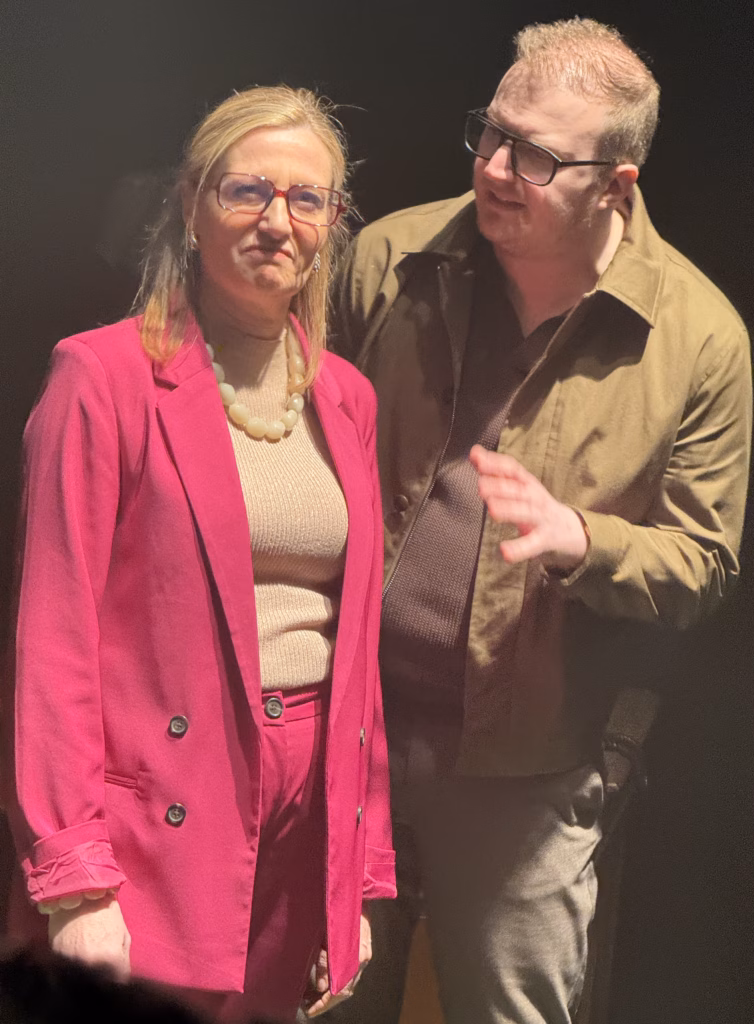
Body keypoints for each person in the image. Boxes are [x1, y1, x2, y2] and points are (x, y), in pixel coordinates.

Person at [328, 17, 752, 1024]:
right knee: (325, 1000)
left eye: (537, 156)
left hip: (525, 768)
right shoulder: (391, 257)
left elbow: (704, 563)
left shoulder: (698, 339)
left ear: (617, 184)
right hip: (350, 730)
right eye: (491, 131)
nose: (495, 168)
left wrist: (583, 542)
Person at [3, 84, 396, 1023]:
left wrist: (353, 874)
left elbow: (359, 657)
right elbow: (54, 642)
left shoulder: (347, 398)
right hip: (153, 827)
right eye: (246, 190)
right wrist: (75, 879)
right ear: (191, 203)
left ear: (332, 223)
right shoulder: (102, 376)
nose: (277, 221)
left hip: (303, 823)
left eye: (306, 199)